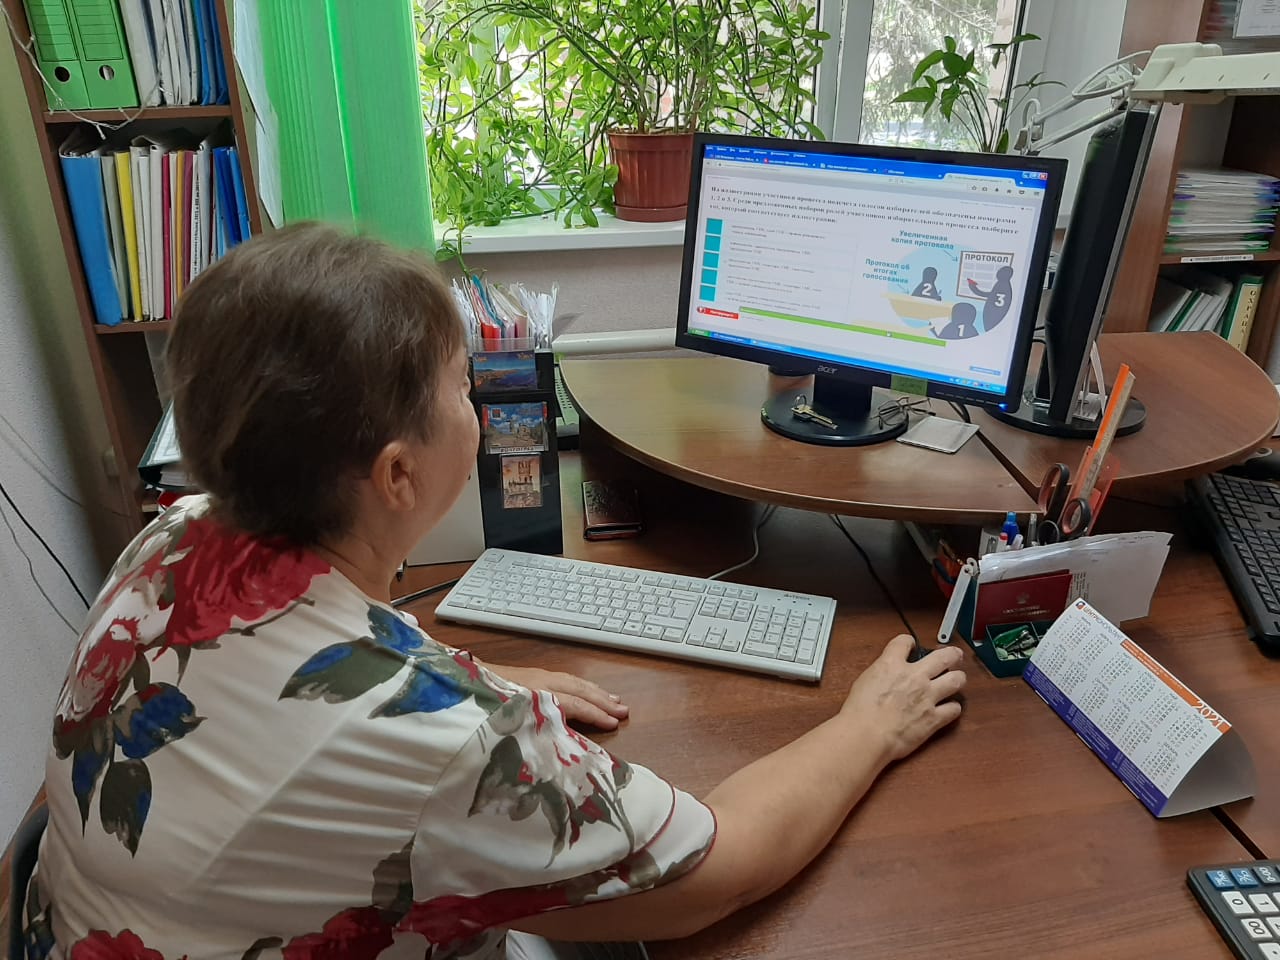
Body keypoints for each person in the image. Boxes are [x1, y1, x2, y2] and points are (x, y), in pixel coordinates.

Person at [24, 224, 965, 960]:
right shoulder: (451, 740)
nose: (480, 407)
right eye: (463, 386)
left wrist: (457, 676)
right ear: (397, 475)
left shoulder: (178, 534)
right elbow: (721, 871)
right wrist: (870, 726)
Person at [966, 265, 1016, 333]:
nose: (998, 273)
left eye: (1000, 272)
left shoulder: (1003, 285)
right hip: (992, 318)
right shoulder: (1003, 284)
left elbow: (988, 295)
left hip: (993, 319)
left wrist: (973, 287)